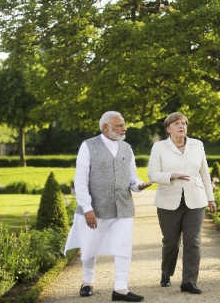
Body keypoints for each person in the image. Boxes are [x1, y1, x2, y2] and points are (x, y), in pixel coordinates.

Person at [64, 111, 152, 302]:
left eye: (124, 124)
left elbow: (132, 178)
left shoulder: (127, 148)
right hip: (96, 208)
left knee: (123, 247)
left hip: (123, 207)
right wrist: (87, 208)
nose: (124, 128)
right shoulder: (88, 146)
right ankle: (87, 282)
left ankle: (120, 289)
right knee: (90, 246)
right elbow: (80, 180)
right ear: (105, 127)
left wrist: (139, 185)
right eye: (119, 125)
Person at [147, 112, 216, 294]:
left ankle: (189, 281)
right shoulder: (159, 147)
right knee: (170, 242)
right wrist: (171, 175)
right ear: (168, 129)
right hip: (168, 201)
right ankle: (166, 272)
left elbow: (204, 173)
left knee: (193, 241)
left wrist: (210, 198)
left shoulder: (197, 145)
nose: (181, 126)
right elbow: (152, 174)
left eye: (184, 123)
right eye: (176, 123)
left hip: (196, 200)